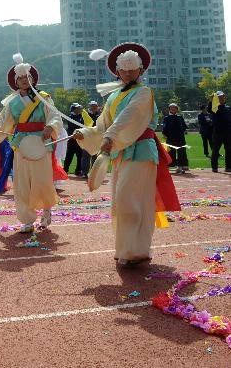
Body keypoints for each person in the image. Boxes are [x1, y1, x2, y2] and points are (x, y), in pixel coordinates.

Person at [75, 43, 180, 267]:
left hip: (141, 151)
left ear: (141, 70)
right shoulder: (112, 97)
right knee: (121, 202)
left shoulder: (144, 92)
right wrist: (85, 134)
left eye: (133, 69)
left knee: (132, 200)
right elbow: (102, 125)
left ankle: (136, 250)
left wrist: (110, 137)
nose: (129, 73)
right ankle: (127, 249)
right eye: (124, 69)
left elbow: (129, 118)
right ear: (117, 71)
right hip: (122, 152)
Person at [0, 57, 62, 233]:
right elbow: (3, 120)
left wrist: (50, 126)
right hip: (21, 144)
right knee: (22, 184)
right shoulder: (11, 102)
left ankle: (46, 211)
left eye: (26, 77)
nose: (24, 80)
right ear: (16, 82)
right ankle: (27, 220)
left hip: (41, 143)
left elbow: (54, 115)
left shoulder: (43, 97)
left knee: (42, 181)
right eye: (20, 78)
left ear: (32, 79)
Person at [161, 103, 188, 173]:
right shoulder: (166, 118)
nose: (173, 109)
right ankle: (169, 166)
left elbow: (184, 126)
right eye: (171, 108)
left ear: (177, 109)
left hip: (180, 138)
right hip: (170, 138)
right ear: (169, 109)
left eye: (174, 108)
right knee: (171, 152)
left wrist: (184, 131)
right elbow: (164, 128)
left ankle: (181, 166)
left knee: (181, 152)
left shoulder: (180, 117)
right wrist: (165, 134)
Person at [209, 90, 231, 173]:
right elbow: (209, 109)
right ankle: (214, 167)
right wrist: (211, 101)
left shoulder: (228, 108)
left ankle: (228, 166)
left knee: (229, 150)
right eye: (219, 97)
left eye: (222, 96)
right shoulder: (214, 107)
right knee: (215, 150)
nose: (221, 98)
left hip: (228, 132)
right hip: (218, 132)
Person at [63, 103, 86, 177]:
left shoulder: (80, 117)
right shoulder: (70, 117)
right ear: (74, 109)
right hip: (72, 139)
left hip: (79, 139)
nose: (80, 109)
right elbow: (74, 126)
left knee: (80, 155)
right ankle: (65, 170)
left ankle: (78, 170)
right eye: (78, 108)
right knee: (69, 156)